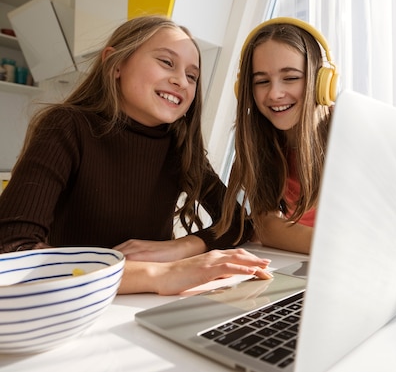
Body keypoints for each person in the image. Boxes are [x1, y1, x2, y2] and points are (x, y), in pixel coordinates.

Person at [0, 15, 272, 295]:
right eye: (167, 62)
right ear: (116, 63)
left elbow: (239, 223)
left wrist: (178, 248)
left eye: (192, 76)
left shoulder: (179, 146)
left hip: (149, 301)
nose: (181, 81)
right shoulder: (67, 125)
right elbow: (13, 247)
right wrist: (163, 273)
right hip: (77, 303)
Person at [214, 17, 338, 254]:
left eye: (291, 78)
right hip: (310, 263)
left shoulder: (349, 132)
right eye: (262, 81)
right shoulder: (260, 143)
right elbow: (266, 227)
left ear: (322, 82)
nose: (275, 93)